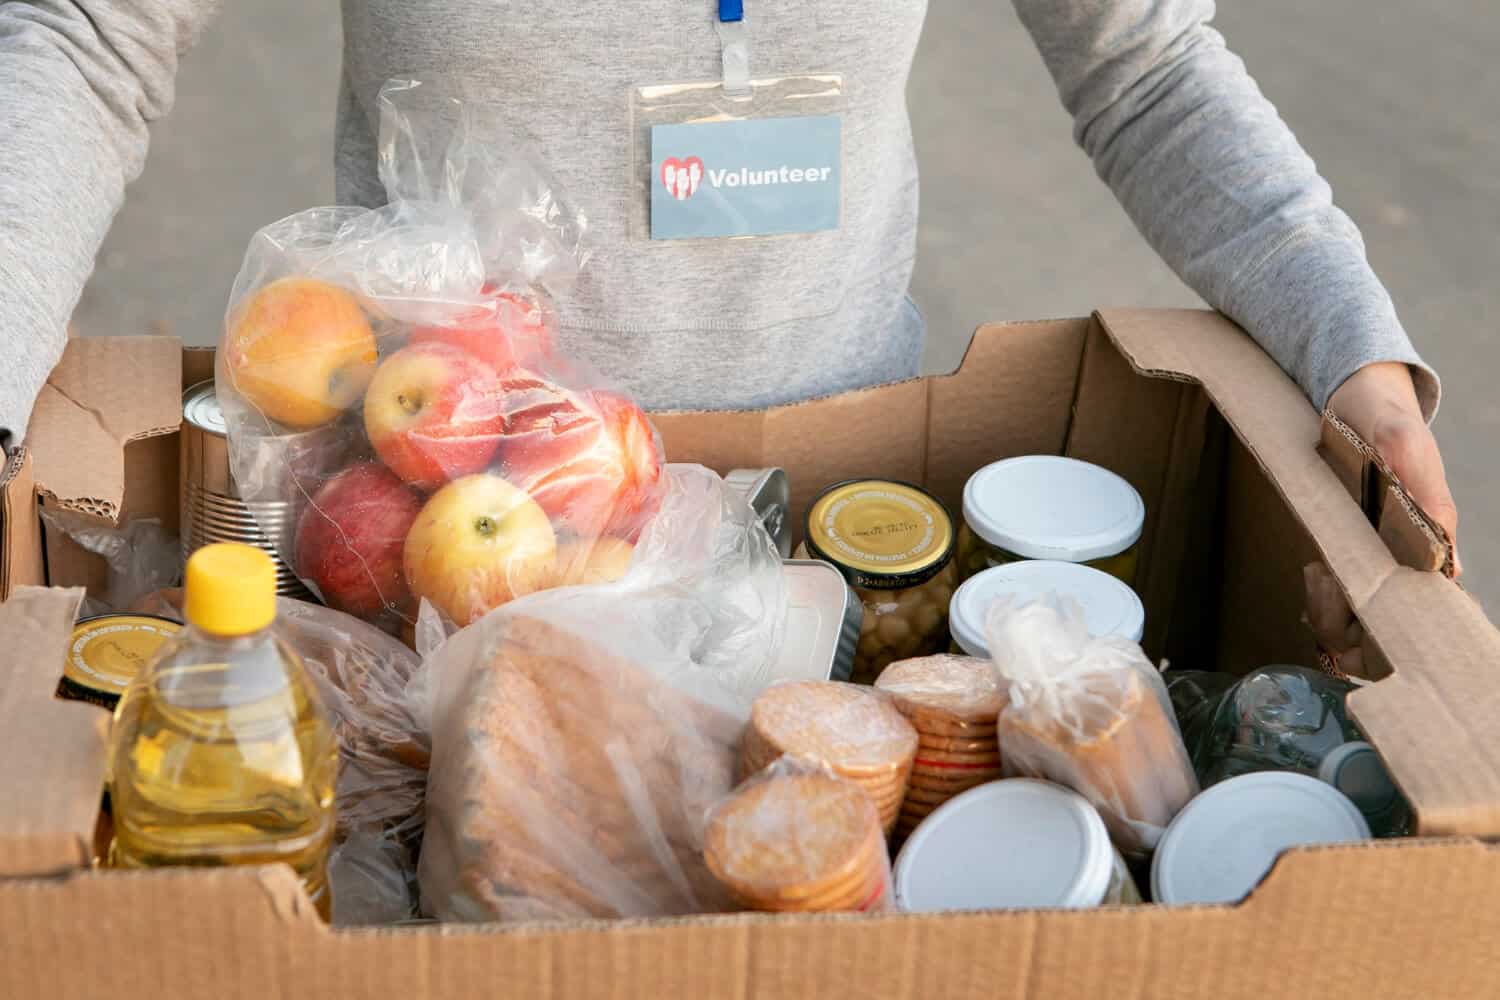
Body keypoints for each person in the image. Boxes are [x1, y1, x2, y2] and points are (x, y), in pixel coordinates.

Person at [0, 0, 1456, 567]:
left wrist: (1351, 350)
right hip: (427, 526)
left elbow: (1145, 64)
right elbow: (88, 36)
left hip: (827, 530)